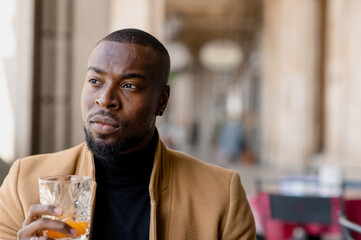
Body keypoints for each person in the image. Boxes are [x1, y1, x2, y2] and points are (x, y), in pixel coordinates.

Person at [0, 28, 255, 240]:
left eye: (129, 85)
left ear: (161, 101)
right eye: (95, 81)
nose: (105, 99)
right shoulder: (26, 183)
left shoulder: (222, 195)